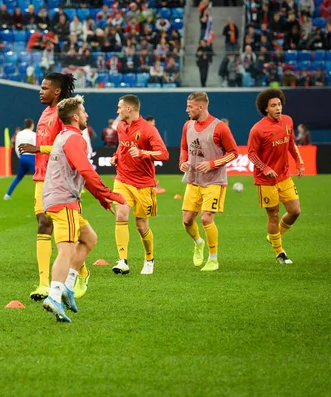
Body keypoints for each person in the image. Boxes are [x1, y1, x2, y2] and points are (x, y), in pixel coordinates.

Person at [41, 95, 125, 322]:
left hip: (62, 199)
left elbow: (82, 173)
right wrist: (109, 194)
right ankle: (54, 295)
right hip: (63, 200)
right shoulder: (75, 139)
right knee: (66, 250)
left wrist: (101, 198)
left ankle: (67, 287)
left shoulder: (65, 136)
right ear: (76, 116)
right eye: (84, 111)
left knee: (89, 239)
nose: (87, 115)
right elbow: (86, 171)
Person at [18, 73, 90, 301]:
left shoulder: (63, 112)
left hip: (60, 181)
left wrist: (39, 149)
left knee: (66, 233)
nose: (40, 91)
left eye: (44, 88)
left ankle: (80, 273)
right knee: (43, 225)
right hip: (42, 179)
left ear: (57, 91)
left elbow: (69, 144)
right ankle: (43, 284)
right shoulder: (44, 113)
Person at [110, 95, 169, 276]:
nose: (117, 110)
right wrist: (116, 156)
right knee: (121, 214)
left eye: (119, 107)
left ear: (129, 109)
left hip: (144, 184)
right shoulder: (121, 126)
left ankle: (149, 258)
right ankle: (122, 260)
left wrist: (143, 153)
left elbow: (164, 154)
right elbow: (122, 146)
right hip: (122, 179)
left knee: (141, 225)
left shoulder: (148, 129)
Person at [180, 92, 238, 272]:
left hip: (214, 181)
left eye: (190, 106)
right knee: (187, 221)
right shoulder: (188, 125)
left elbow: (233, 152)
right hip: (193, 180)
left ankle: (213, 259)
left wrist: (212, 164)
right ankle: (199, 243)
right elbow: (184, 148)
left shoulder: (219, 127)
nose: (187, 109)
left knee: (206, 218)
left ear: (201, 107)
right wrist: (183, 162)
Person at [248, 88, 304, 264]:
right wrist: (265, 169)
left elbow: (291, 143)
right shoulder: (258, 130)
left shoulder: (288, 121)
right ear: (266, 109)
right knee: (273, 214)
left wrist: (299, 162)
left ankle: (274, 236)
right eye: (273, 105)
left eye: (279, 104)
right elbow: (251, 154)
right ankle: (280, 252)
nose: (278, 108)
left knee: (295, 211)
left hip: (284, 176)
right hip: (265, 180)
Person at [4, 118, 36, 200]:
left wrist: (21, 156)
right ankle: (44, 196)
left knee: (19, 177)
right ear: (32, 125)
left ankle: (7, 195)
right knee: (40, 178)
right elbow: (36, 147)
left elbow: (16, 147)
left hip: (22, 157)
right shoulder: (33, 134)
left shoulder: (19, 134)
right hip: (31, 157)